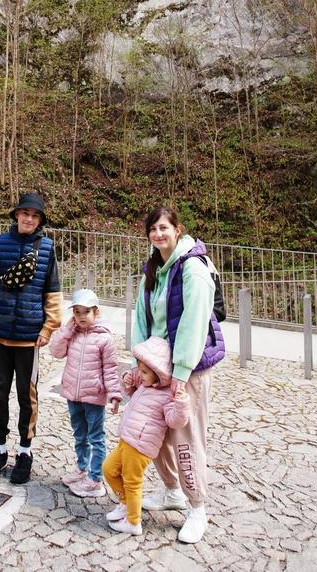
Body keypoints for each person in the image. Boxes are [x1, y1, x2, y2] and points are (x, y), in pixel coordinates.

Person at [129, 205, 225, 543]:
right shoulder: (153, 269)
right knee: (152, 433)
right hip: (156, 368)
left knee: (186, 438)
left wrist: (181, 374)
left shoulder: (193, 269)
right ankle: (172, 490)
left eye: (164, 228)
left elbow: (193, 325)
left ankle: (197, 507)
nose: (158, 234)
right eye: (153, 229)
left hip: (189, 369)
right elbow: (142, 319)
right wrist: (138, 365)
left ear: (177, 229)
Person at [0, 191, 62, 485]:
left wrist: (49, 327)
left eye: (35, 215)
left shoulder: (47, 249)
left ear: (40, 220)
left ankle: (24, 452)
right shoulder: (1, 243)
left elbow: (52, 291)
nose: (29, 218)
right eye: (25, 213)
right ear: (16, 215)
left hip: (29, 337)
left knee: (28, 396)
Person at [102, 335, 190, 536]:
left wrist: (181, 403)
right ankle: (126, 504)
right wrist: (128, 384)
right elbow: (135, 400)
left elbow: (175, 421)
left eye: (144, 372)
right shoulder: (145, 386)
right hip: (127, 439)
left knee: (132, 481)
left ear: (158, 373)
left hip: (141, 446)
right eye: (139, 370)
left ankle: (133, 522)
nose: (140, 375)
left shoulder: (167, 394)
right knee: (108, 469)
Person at [49, 288, 122, 498]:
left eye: (86, 312)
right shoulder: (72, 334)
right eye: (77, 312)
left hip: (94, 397)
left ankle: (95, 479)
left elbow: (110, 368)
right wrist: (66, 330)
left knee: (96, 438)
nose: (81, 316)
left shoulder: (104, 339)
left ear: (96, 313)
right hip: (73, 394)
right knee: (79, 435)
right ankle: (82, 469)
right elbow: (56, 352)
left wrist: (114, 394)